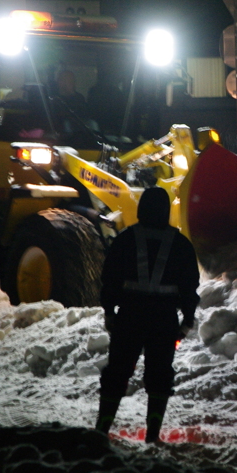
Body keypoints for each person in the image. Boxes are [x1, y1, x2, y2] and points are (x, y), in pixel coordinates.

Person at [95, 186, 200, 443]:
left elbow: (109, 279)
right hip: (164, 319)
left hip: (130, 316)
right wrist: (186, 321)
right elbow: (189, 287)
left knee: (117, 372)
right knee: (160, 374)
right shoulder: (181, 245)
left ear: (141, 208)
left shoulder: (125, 239)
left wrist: (109, 312)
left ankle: (101, 429)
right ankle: (153, 434)